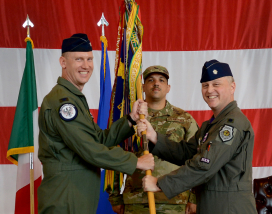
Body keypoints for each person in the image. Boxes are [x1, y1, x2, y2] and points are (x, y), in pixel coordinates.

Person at [37, 33, 154, 214]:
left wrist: (130, 119)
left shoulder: (74, 98)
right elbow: (90, 149)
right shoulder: (63, 102)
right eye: (79, 59)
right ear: (63, 62)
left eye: (89, 59)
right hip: (66, 196)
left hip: (77, 193)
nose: (86, 65)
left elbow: (98, 139)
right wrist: (136, 162)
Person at [138, 60, 257, 214]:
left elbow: (205, 164)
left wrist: (160, 184)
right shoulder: (211, 125)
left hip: (229, 207)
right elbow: (187, 153)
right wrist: (154, 137)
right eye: (205, 85)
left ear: (232, 87)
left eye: (216, 84)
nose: (209, 90)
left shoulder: (232, 124)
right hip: (212, 205)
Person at [108, 66, 199, 214]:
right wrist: (115, 197)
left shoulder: (185, 119)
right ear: (143, 86)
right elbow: (115, 154)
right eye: (150, 80)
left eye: (161, 80)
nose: (156, 83)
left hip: (174, 201)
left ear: (168, 87)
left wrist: (194, 197)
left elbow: (196, 159)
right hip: (136, 200)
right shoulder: (131, 119)